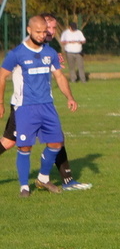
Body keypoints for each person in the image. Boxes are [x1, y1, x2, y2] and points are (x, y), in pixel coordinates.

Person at [0, 16, 79, 196]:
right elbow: (2, 76)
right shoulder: (16, 53)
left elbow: (59, 76)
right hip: (24, 107)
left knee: (56, 142)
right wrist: (1, 103)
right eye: (38, 32)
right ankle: (24, 187)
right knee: (22, 146)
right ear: (29, 30)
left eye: (45, 32)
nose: (43, 35)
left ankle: (43, 178)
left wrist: (70, 97)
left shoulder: (50, 53)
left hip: (47, 106)